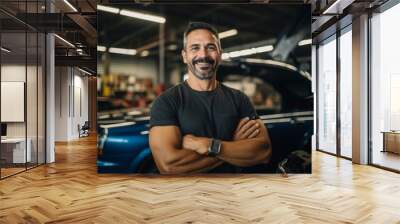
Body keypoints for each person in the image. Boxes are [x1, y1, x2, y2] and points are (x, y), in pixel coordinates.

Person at [149, 22, 272, 174]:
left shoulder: (239, 99)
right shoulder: (167, 102)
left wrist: (209, 145)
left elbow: (263, 151)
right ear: (184, 56)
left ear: (219, 54)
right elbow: (170, 166)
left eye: (211, 47)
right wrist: (233, 144)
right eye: (195, 48)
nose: (203, 55)